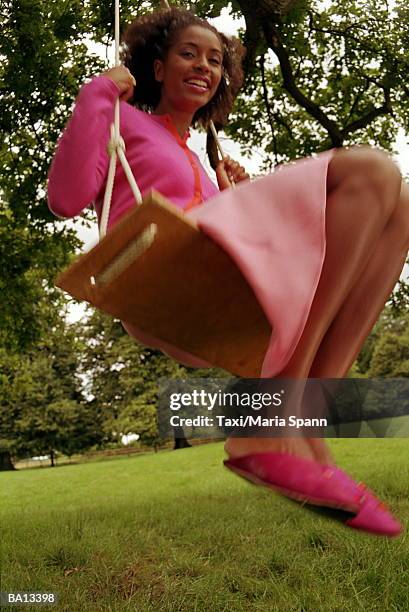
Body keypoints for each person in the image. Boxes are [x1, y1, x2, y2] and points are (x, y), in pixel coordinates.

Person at [47, 7, 409, 536]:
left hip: (215, 294)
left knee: (399, 207)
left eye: (215, 60)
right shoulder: (124, 122)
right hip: (161, 279)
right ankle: (271, 420)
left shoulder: (199, 160)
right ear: (156, 68)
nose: (203, 66)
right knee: (373, 170)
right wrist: (98, 93)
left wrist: (233, 196)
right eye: (188, 53)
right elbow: (64, 197)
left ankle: (303, 420)